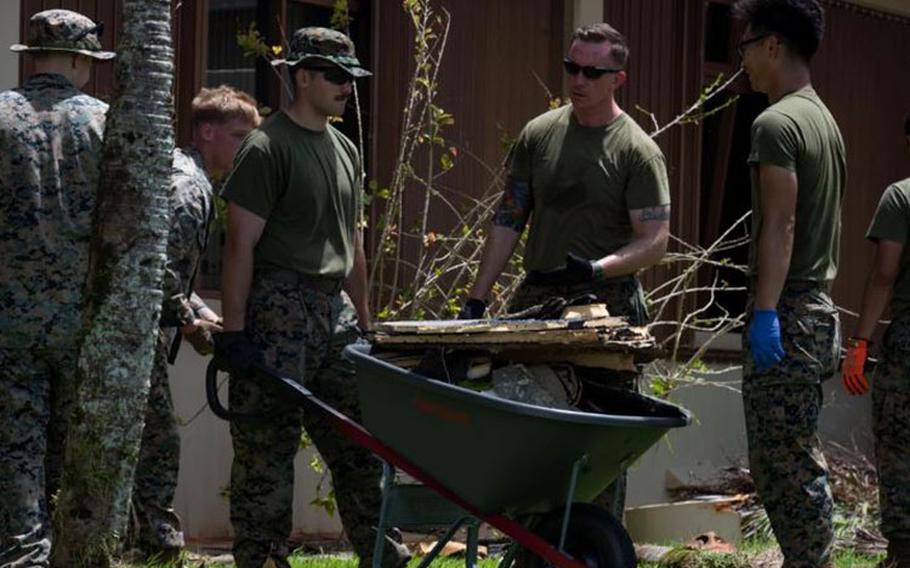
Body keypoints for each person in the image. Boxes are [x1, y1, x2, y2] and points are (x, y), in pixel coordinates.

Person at [214, 27, 410, 568]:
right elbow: (240, 246)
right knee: (266, 452)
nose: (348, 87)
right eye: (336, 77)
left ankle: (382, 557)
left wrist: (366, 324)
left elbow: (354, 244)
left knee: (361, 448)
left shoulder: (345, 148)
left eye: (352, 77)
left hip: (335, 314)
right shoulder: (266, 147)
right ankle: (264, 559)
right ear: (302, 77)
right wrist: (233, 332)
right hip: (278, 310)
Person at [460, 22, 671, 519]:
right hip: (538, 298)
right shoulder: (540, 134)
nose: (579, 79)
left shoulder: (637, 150)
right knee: (524, 428)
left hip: (605, 307)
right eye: (572, 67)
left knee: (597, 437)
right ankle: (531, 545)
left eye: (592, 72)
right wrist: (478, 298)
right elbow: (509, 218)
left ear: (617, 78)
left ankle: (591, 547)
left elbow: (654, 241)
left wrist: (598, 269)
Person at [0, 9, 114, 566]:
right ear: (76, 59)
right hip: (80, 316)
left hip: (8, 315)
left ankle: (23, 553)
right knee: (73, 447)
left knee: (15, 445)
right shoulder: (104, 123)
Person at [733, 0, 845, 566]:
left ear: (772, 44)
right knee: (795, 458)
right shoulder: (823, 118)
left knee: (784, 466)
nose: (744, 61)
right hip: (817, 312)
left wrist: (765, 312)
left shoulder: (776, 123)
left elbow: (780, 224)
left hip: (792, 313)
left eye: (746, 47)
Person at [130, 86, 261, 560]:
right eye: (238, 135)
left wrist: (204, 314)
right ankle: (159, 549)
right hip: (133, 336)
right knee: (160, 444)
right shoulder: (191, 187)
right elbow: (157, 268)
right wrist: (190, 321)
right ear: (207, 133)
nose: (246, 147)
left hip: (137, 329)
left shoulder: (182, 172)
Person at [841, 115, 910, 568]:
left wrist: (860, 342)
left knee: (900, 444)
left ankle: (904, 551)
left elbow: (884, 274)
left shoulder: (901, 195)